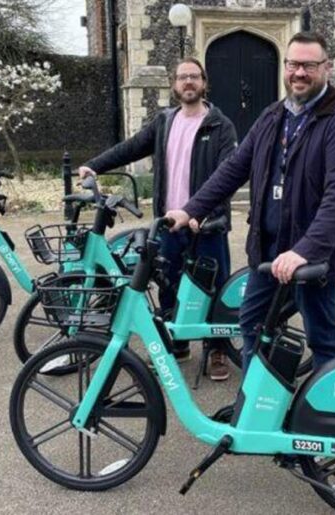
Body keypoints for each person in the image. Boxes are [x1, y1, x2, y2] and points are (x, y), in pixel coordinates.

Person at [166, 31, 335, 372]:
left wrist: (305, 250)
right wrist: (190, 210)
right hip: (267, 250)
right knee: (252, 326)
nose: (299, 73)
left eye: (309, 65)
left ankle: (330, 418)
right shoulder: (274, 115)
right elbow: (233, 169)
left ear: (326, 68)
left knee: (322, 338)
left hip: (311, 259)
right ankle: (256, 412)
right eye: (293, 64)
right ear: (284, 67)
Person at [78, 57, 238, 381]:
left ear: (204, 83)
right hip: (167, 223)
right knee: (169, 285)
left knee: (214, 287)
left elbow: (228, 176)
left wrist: (200, 213)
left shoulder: (221, 125)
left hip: (205, 225)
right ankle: (175, 344)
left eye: (194, 77)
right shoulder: (164, 121)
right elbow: (132, 147)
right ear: (174, 85)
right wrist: (95, 164)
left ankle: (218, 348)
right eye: (182, 77)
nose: (188, 82)